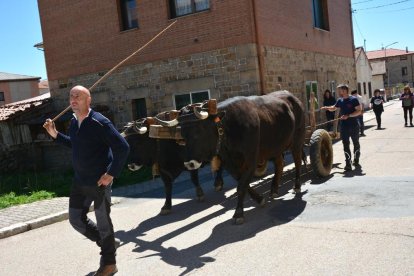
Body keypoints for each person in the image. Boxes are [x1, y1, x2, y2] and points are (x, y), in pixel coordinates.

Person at [43, 85, 129, 276]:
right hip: (80, 181)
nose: (73, 100)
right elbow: (76, 145)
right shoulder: (74, 123)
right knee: (76, 219)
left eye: (78, 96)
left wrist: (111, 173)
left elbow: (122, 148)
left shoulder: (100, 122)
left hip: (99, 183)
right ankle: (107, 243)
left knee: (104, 223)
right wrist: (55, 135)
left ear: (88, 100)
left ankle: (109, 263)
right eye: (71, 96)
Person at [321, 84, 362, 171]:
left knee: (356, 143)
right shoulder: (340, 100)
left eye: (340, 90)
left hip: (354, 125)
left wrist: (349, 115)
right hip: (344, 126)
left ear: (345, 91)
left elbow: (359, 111)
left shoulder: (353, 100)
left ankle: (356, 159)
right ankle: (348, 164)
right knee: (345, 145)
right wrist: (327, 108)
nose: (339, 92)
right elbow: (334, 108)